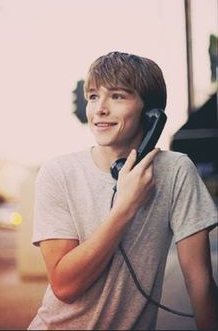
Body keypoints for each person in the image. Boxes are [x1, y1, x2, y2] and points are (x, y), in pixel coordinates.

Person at [28, 52, 218, 330]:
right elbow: (65, 286)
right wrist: (125, 208)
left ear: (151, 113)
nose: (100, 109)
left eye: (117, 96)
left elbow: (200, 282)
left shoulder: (176, 171)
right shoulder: (58, 173)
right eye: (93, 96)